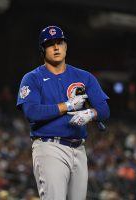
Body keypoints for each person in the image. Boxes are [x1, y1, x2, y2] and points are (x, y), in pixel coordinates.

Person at [16, 25, 110, 200]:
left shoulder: (84, 77)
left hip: (79, 149)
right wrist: (67, 105)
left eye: (60, 42)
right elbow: (32, 112)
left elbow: (104, 110)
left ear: (66, 46)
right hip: (49, 146)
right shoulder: (32, 78)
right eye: (50, 44)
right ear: (43, 49)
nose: (56, 47)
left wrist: (91, 113)